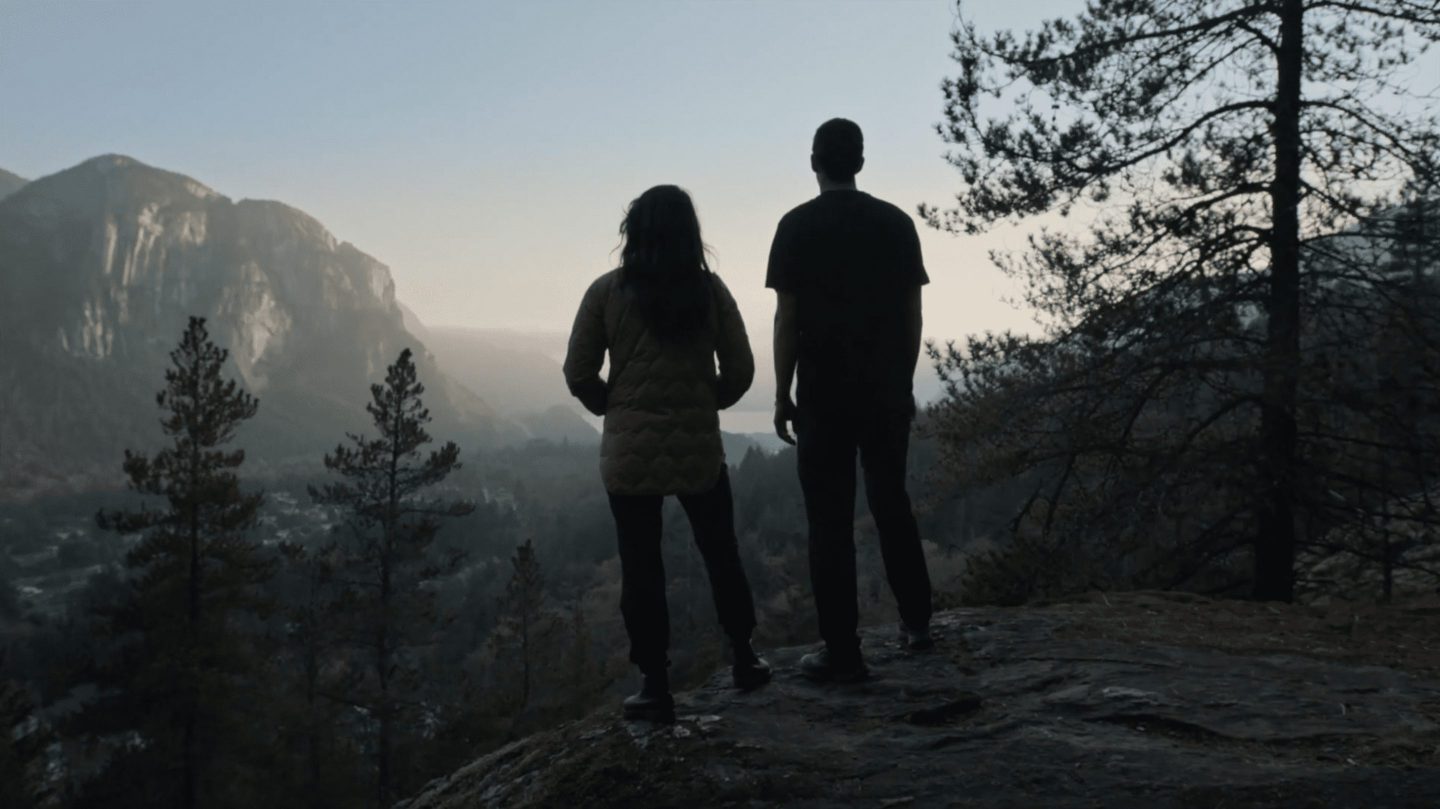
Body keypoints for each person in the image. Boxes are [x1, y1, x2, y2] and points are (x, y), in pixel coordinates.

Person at [564, 184, 772, 723]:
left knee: (641, 566)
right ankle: (746, 657)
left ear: (632, 232)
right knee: (720, 550)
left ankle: (654, 684)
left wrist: (616, 409)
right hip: (698, 445)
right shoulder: (709, 291)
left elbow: (578, 373)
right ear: (690, 232)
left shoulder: (606, 292)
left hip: (629, 456)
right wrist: (706, 403)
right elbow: (743, 371)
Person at [767, 118, 935, 683]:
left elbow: (787, 319)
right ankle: (918, 625)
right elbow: (913, 317)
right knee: (892, 504)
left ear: (813, 161)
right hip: (885, 391)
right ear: (860, 163)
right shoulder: (897, 224)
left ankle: (842, 648)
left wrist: (781, 391)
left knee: (829, 521)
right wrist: (905, 383)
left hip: (822, 395)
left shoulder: (794, 227)